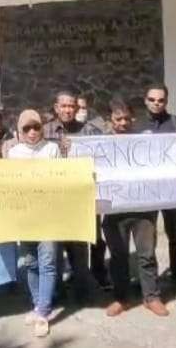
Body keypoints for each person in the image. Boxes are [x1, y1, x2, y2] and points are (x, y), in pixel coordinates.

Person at [101, 99, 169, 318]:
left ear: (133, 119)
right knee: (118, 256)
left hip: (143, 209)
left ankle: (151, 297)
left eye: (126, 118)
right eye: (117, 119)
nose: (122, 123)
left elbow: (164, 161)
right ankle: (121, 298)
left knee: (146, 255)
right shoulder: (99, 145)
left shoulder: (147, 142)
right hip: (113, 209)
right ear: (109, 121)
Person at [44, 89, 106, 300]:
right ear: (56, 108)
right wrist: (59, 151)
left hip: (81, 199)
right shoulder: (45, 131)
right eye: (64, 106)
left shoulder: (89, 131)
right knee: (55, 248)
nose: (68, 110)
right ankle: (57, 291)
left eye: (72, 106)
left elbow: (102, 157)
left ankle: (82, 290)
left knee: (79, 247)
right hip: (54, 199)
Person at [6, 109, 61, 337]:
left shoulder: (52, 149)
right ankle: (38, 304)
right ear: (20, 130)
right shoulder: (14, 152)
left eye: (36, 127)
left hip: (48, 214)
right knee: (30, 262)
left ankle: (43, 311)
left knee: (47, 262)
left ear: (42, 128)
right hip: (24, 216)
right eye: (26, 128)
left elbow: (61, 177)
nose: (31, 132)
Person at [135, 84, 176, 294]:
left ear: (166, 102)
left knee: (174, 233)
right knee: (148, 237)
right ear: (145, 100)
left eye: (161, 100)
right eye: (152, 99)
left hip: (171, 188)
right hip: (147, 189)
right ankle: (151, 281)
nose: (156, 103)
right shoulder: (137, 125)